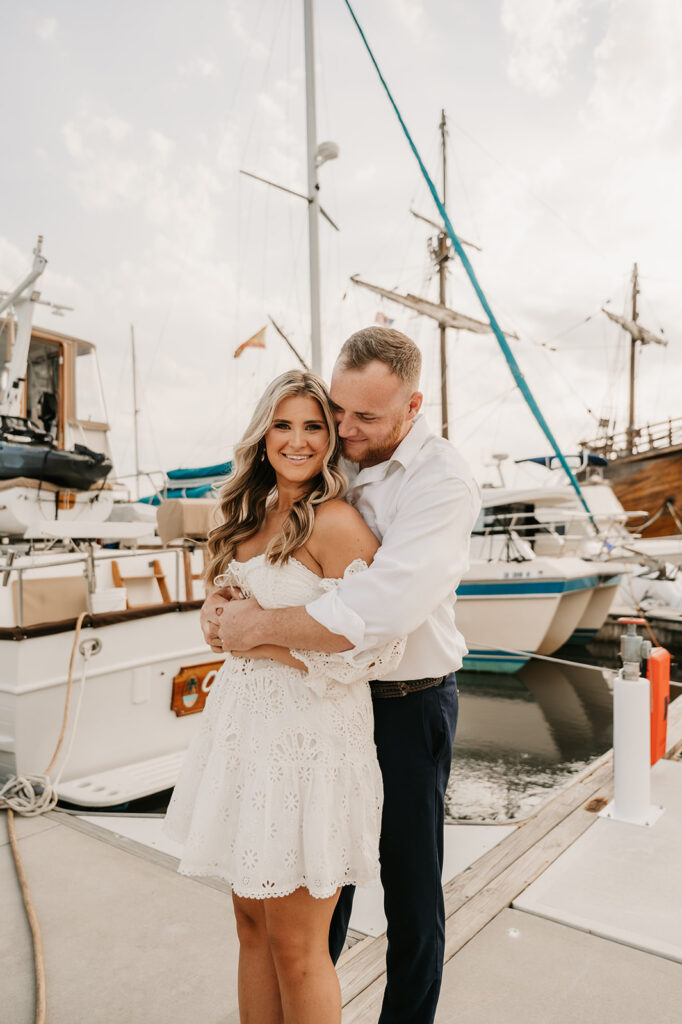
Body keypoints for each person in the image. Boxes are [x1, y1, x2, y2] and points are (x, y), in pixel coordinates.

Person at [203, 326, 481, 1024]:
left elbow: (381, 612)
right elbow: (277, 562)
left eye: (366, 418)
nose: (343, 431)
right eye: (339, 411)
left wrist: (256, 630)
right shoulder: (333, 454)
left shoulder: (441, 482)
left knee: (412, 894)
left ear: (413, 407)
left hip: (410, 703)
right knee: (313, 898)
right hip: (315, 709)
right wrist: (223, 604)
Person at [164, 369, 405, 1024]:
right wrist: (215, 615)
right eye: (283, 424)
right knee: (250, 928)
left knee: (300, 949)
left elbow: (382, 647)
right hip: (245, 742)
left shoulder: (335, 523)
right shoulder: (251, 517)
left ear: (331, 440)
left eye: (312, 426)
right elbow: (236, 615)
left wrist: (259, 642)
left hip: (307, 752)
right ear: (262, 434)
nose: (296, 441)